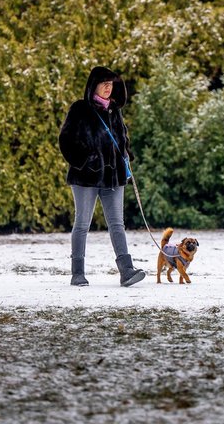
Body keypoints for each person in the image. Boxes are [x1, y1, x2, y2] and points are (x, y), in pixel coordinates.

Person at [58, 66, 145, 287]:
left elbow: (121, 138)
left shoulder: (114, 110)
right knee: (82, 224)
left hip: (113, 178)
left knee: (117, 224)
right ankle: (77, 273)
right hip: (85, 178)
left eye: (111, 83)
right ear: (93, 85)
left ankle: (126, 271)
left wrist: (126, 155)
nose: (108, 87)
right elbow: (65, 141)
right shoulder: (79, 109)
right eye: (104, 83)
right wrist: (86, 161)